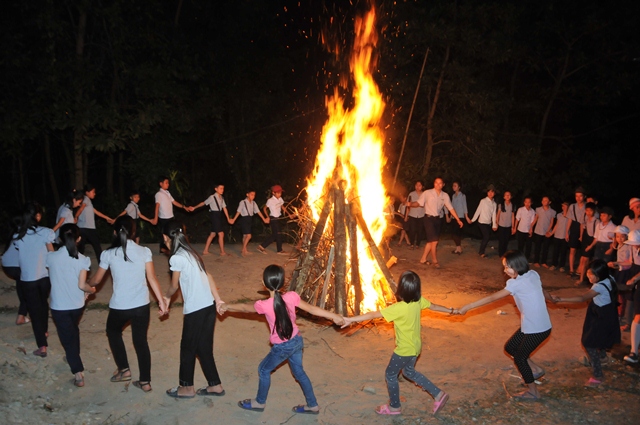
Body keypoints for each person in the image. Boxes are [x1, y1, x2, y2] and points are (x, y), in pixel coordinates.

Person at [219, 264, 343, 414]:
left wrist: (226, 306)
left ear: (264, 284)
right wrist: (334, 316)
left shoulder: (264, 305)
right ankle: (312, 405)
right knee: (299, 373)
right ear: (283, 282)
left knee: (263, 369)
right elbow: (311, 309)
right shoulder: (291, 296)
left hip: (283, 347)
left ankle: (259, 402)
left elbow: (245, 307)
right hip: (297, 340)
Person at [341, 271, 453, 415]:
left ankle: (394, 407)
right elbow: (435, 306)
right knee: (408, 372)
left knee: (390, 375)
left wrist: (350, 319)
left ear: (401, 289)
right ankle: (438, 394)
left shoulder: (398, 308)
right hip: (416, 347)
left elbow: (373, 314)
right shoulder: (418, 301)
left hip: (404, 350)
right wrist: (452, 310)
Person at [458, 250, 554, 400]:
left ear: (517, 266)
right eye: (504, 266)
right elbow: (541, 288)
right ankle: (535, 370)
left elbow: (493, 298)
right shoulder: (533, 274)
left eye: (507, 267)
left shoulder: (515, 284)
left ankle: (533, 392)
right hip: (536, 325)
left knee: (520, 358)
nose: (505, 270)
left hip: (536, 328)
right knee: (510, 347)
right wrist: (551, 298)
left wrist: (468, 306)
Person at [89, 216, 168, 392]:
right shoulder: (144, 251)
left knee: (113, 331)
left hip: (120, 306)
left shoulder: (108, 254)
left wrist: (86, 285)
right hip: (141, 306)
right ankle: (145, 382)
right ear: (133, 232)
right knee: (141, 342)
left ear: (114, 232)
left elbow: (97, 280)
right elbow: (152, 278)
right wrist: (161, 302)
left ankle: (124, 370)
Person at [161, 221, 226, 398]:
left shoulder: (176, 257)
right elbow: (208, 275)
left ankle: (186, 387)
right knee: (203, 347)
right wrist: (217, 300)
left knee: (187, 348)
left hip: (196, 309)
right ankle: (215, 385)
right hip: (208, 306)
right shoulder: (191, 252)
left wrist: (166, 297)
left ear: (165, 238)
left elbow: (174, 286)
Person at [553, 260, 621, 387]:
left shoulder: (599, 286)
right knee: (601, 337)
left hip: (600, 316)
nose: (589, 276)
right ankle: (602, 358)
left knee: (589, 343)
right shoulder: (609, 278)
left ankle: (598, 375)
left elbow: (582, 298)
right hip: (606, 313)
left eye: (592, 274)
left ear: (599, 275)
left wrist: (560, 299)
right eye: (588, 273)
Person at [46, 224, 95, 387]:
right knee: (72, 330)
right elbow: (82, 285)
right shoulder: (83, 260)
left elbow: (51, 258)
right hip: (77, 305)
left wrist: (47, 240)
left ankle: (78, 372)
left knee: (67, 335)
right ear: (79, 239)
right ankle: (73, 355)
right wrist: (91, 290)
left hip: (59, 306)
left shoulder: (51, 257)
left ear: (60, 239)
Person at [13, 202, 56, 357]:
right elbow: (51, 253)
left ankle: (42, 346)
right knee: (43, 305)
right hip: (44, 277)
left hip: (28, 279)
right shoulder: (46, 232)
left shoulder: (19, 235)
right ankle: (43, 331)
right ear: (37, 216)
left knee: (34, 311)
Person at [406, 177, 463, 268]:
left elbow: (450, 208)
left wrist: (458, 219)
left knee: (430, 242)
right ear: (434, 183)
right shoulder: (427, 193)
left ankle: (423, 259)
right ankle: (435, 261)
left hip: (437, 219)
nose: (438, 184)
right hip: (428, 219)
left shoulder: (445, 196)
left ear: (443, 185)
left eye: (440, 183)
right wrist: (411, 204)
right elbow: (418, 203)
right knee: (435, 241)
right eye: (436, 182)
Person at [2, 215, 29, 325]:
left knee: (21, 285)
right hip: (15, 266)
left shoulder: (14, 233)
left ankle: (23, 314)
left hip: (7, 265)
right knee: (28, 289)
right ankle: (21, 316)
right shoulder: (24, 234)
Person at [192, 184, 233, 256]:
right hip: (214, 215)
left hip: (219, 215)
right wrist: (194, 207)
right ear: (216, 189)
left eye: (223, 188)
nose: (222, 190)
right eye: (220, 188)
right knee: (221, 234)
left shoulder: (221, 198)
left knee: (213, 234)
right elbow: (204, 203)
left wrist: (228, 218)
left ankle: (205, 251)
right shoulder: (212, 197)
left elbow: (224, 208)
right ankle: (222, 252)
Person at [154, 176, 192, 254]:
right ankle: (163, 249)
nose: (168, 184)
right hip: (164, 217)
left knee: (171, 233)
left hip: (170, 216)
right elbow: (157, 206)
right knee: (165, 234)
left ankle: (169, 248)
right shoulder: (159, 194)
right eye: (166, 183)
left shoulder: (167, 193)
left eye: (168, 183)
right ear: (161, 184)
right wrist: (155, 218)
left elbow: (174, 202)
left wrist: (184, 207)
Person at [75, 184, 114, 259]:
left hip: (81, 227)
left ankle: (77, 261)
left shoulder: (87, 201)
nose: (94, 193)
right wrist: (76, 216)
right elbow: (81, 208)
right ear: (87, 192)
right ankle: (102, 263)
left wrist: (108, 218)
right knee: (97, 246)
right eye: (93, 192)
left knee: (81, 248)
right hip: (89, 228)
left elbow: (96, 212)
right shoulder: (86, 199)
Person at [607, 226, 633, 328]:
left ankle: (622, 316)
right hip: (619, 270)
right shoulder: (619, 245)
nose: (619, 239)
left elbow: (629, 262)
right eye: (617, 236)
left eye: (622, 236)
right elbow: (610, 235)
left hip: (625, 272)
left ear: (626, 236)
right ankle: (619, 314)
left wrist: (616, 263)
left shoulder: (628, 246)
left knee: (623, 295)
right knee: (618, 294)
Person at [231, 189, 270, 256]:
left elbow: (258, 212)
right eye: (251, 195)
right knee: (249, 236)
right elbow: (239, 211)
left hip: (250, 219)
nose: (253, 196)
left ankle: (245, 250)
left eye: (254, 195)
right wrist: (234, 219)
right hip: (244, 219)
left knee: (245, 235)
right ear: (247, 194)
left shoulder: (253, 203)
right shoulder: (243, 202)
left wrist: (264, 219)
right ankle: (243, 249)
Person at [622, 230, 640, 363]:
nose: (633, 245)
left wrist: (634, 278)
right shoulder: (635, 249)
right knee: (637, 316)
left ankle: (634, 351)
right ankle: (634, 351)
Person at [258, 185, 290, 255]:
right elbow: (264, 208)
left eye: (280, 193)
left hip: (278, 218)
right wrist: (267, 217)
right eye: (278, 193)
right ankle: (277, 250)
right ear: (273, 193)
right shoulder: (270, 200)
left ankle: (277, 249)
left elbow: (282, 206)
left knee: (277, 234)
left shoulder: (280, 199)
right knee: (277, 234)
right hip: (273, 218)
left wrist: (289, 214)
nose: (279, 194)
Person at [468, 184, 497, 258]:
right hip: (481, 222)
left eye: (492, 192)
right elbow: (478, 211)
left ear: (494, 193)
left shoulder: (494, 204)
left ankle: (481, 251)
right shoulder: (483, 201)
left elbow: (494, 214)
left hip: (488, 223)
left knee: (486, 237)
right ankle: (481, 252)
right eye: (489, 192)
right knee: (486, 237)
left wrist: (494, 225)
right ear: (487, 193)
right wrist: (473, 220)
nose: (490, 193)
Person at [566, 188, 588, 278]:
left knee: (583, 251)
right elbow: (569, 219)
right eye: (576, 196)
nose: (578, 198)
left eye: (580, 196)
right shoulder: (572, 206)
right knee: (572, 249)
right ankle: (571, 270)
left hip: (585, 227)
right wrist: (567, 232)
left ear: (584, 196)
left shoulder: (587, 206)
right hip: (574, 226)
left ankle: (580, 270)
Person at [530, 196, 556, 268]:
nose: (544, 202)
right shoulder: (538, 209)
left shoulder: (552, 211)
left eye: (546, 200)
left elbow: (552, 222)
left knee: (546, 247)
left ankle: (544, 262)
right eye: (543, 200)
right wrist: (531, 227)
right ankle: (536, 261)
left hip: (547, 232)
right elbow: (536, 219)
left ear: (549, 202)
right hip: (538, 230)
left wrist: (548, 230)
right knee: (537, 247)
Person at [576, 203, 598, 285]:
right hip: (586, 239)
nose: (588, 212)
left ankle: (583, 279)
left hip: (592, 241)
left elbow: (596, 236)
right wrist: (581, 236)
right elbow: (584, 227)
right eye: (587, 210)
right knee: (584, 260)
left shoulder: (596, 221)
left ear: (594, 211)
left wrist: (591, 245)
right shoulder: (586, 219)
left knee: (587, 260)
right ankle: (583, 278)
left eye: (590, 211)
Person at [448, 181, 470, 254]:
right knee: (454, 233)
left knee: (456, 233)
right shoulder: (453, 196)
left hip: (460, 216)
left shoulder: (463, 196)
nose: (453, 187)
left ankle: (459, 248)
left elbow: (465, 206)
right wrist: (450, 216)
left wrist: (466, 216)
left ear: (459, 187)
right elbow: (452, 207)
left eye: (455, 186)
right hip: (454, 216)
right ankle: (458, 248)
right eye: (453, 185)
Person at [549, 202, 570, 272]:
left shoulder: (570, 216)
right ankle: (554, 264)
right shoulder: (559, 215)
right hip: (557, 235)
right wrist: (552, 233)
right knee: (556, 251)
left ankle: (562, 266)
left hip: (565, 236)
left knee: (563, 252)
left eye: (565, 206)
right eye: (563, 206)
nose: (564, 207)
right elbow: (557, 224)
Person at [406, 180, 425, 249]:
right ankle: (412, 244)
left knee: (420, 230)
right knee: (412, 230)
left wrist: (416, 205)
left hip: (421, 215)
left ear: (422, 187)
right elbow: (408, 205)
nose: (418, 187)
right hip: (412, 215)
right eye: (416, 185)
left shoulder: (424, 194)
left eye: (419, 185)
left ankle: (418, 244)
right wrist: (406, 216)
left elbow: (425, 205)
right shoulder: (411, 194)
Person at [496, 191, 515, 257]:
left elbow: (513, 216)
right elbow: (498, 215)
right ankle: (501, 253)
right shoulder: (501, 205)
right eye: (506, 195)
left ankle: (504, 253)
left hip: (508, 225)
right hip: (501, 225)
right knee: (501, 240)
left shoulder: (513, 205)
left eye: (509, 195)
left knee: (506, 240)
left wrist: (513, 227)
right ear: (504, 197)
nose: (507, 196)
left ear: (511, 196)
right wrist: (497, 223)